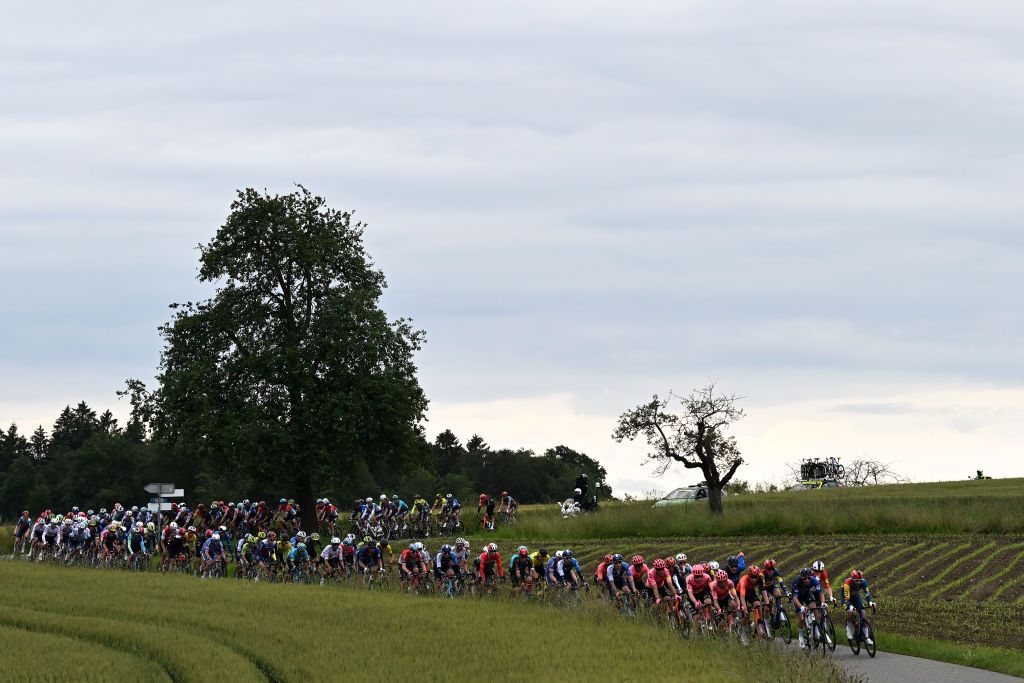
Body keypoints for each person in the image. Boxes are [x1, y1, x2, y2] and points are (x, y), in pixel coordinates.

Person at [791, 567, 823, 648]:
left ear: (811, 577)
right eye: (804, 579)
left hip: (806, 594)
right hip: (798, 598)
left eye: (808, 578)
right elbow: (794, 598)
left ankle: (817, 629)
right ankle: (801, 635)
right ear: (802, 578)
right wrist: (801, 607)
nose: (807, 580)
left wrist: (823, 603)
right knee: (801, 616)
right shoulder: (797, 582)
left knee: (814, 608)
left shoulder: (814, 580)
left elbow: (820, 593)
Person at [842, 570, 876, 645]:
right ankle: (848, 628)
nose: (858, 582)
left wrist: (870, 602)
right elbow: (846, 599)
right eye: (856, 581)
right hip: (846, 597)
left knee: (863, 613)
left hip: (855, 596)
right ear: (852, 579)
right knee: (851, 612)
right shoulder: (847, 583)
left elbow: (867, 594)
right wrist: (850, 606)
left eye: (860, 580)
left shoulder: (863, 582)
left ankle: (867, 638)